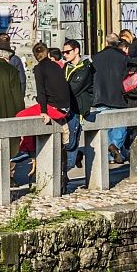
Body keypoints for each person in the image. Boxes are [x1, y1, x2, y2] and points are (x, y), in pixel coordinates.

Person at [92, 33, 132, 163]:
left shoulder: (96, 57)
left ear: (106, 43)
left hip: (101, 95)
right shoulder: (123, 58)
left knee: (106, 127)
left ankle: (110, 150)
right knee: (120, 125)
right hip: (118, 95)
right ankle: (114, 148)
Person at [62, 38, 94, 174]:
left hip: (77, 108)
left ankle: (64, 173)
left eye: (67, 52)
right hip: (65, 109)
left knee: (70, 143)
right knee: (66, 142)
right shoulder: (66, 67)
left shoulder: (86, 67)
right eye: (63, 52)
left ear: (76, 51)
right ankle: (67, 170)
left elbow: (74, 88)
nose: (65, 55)